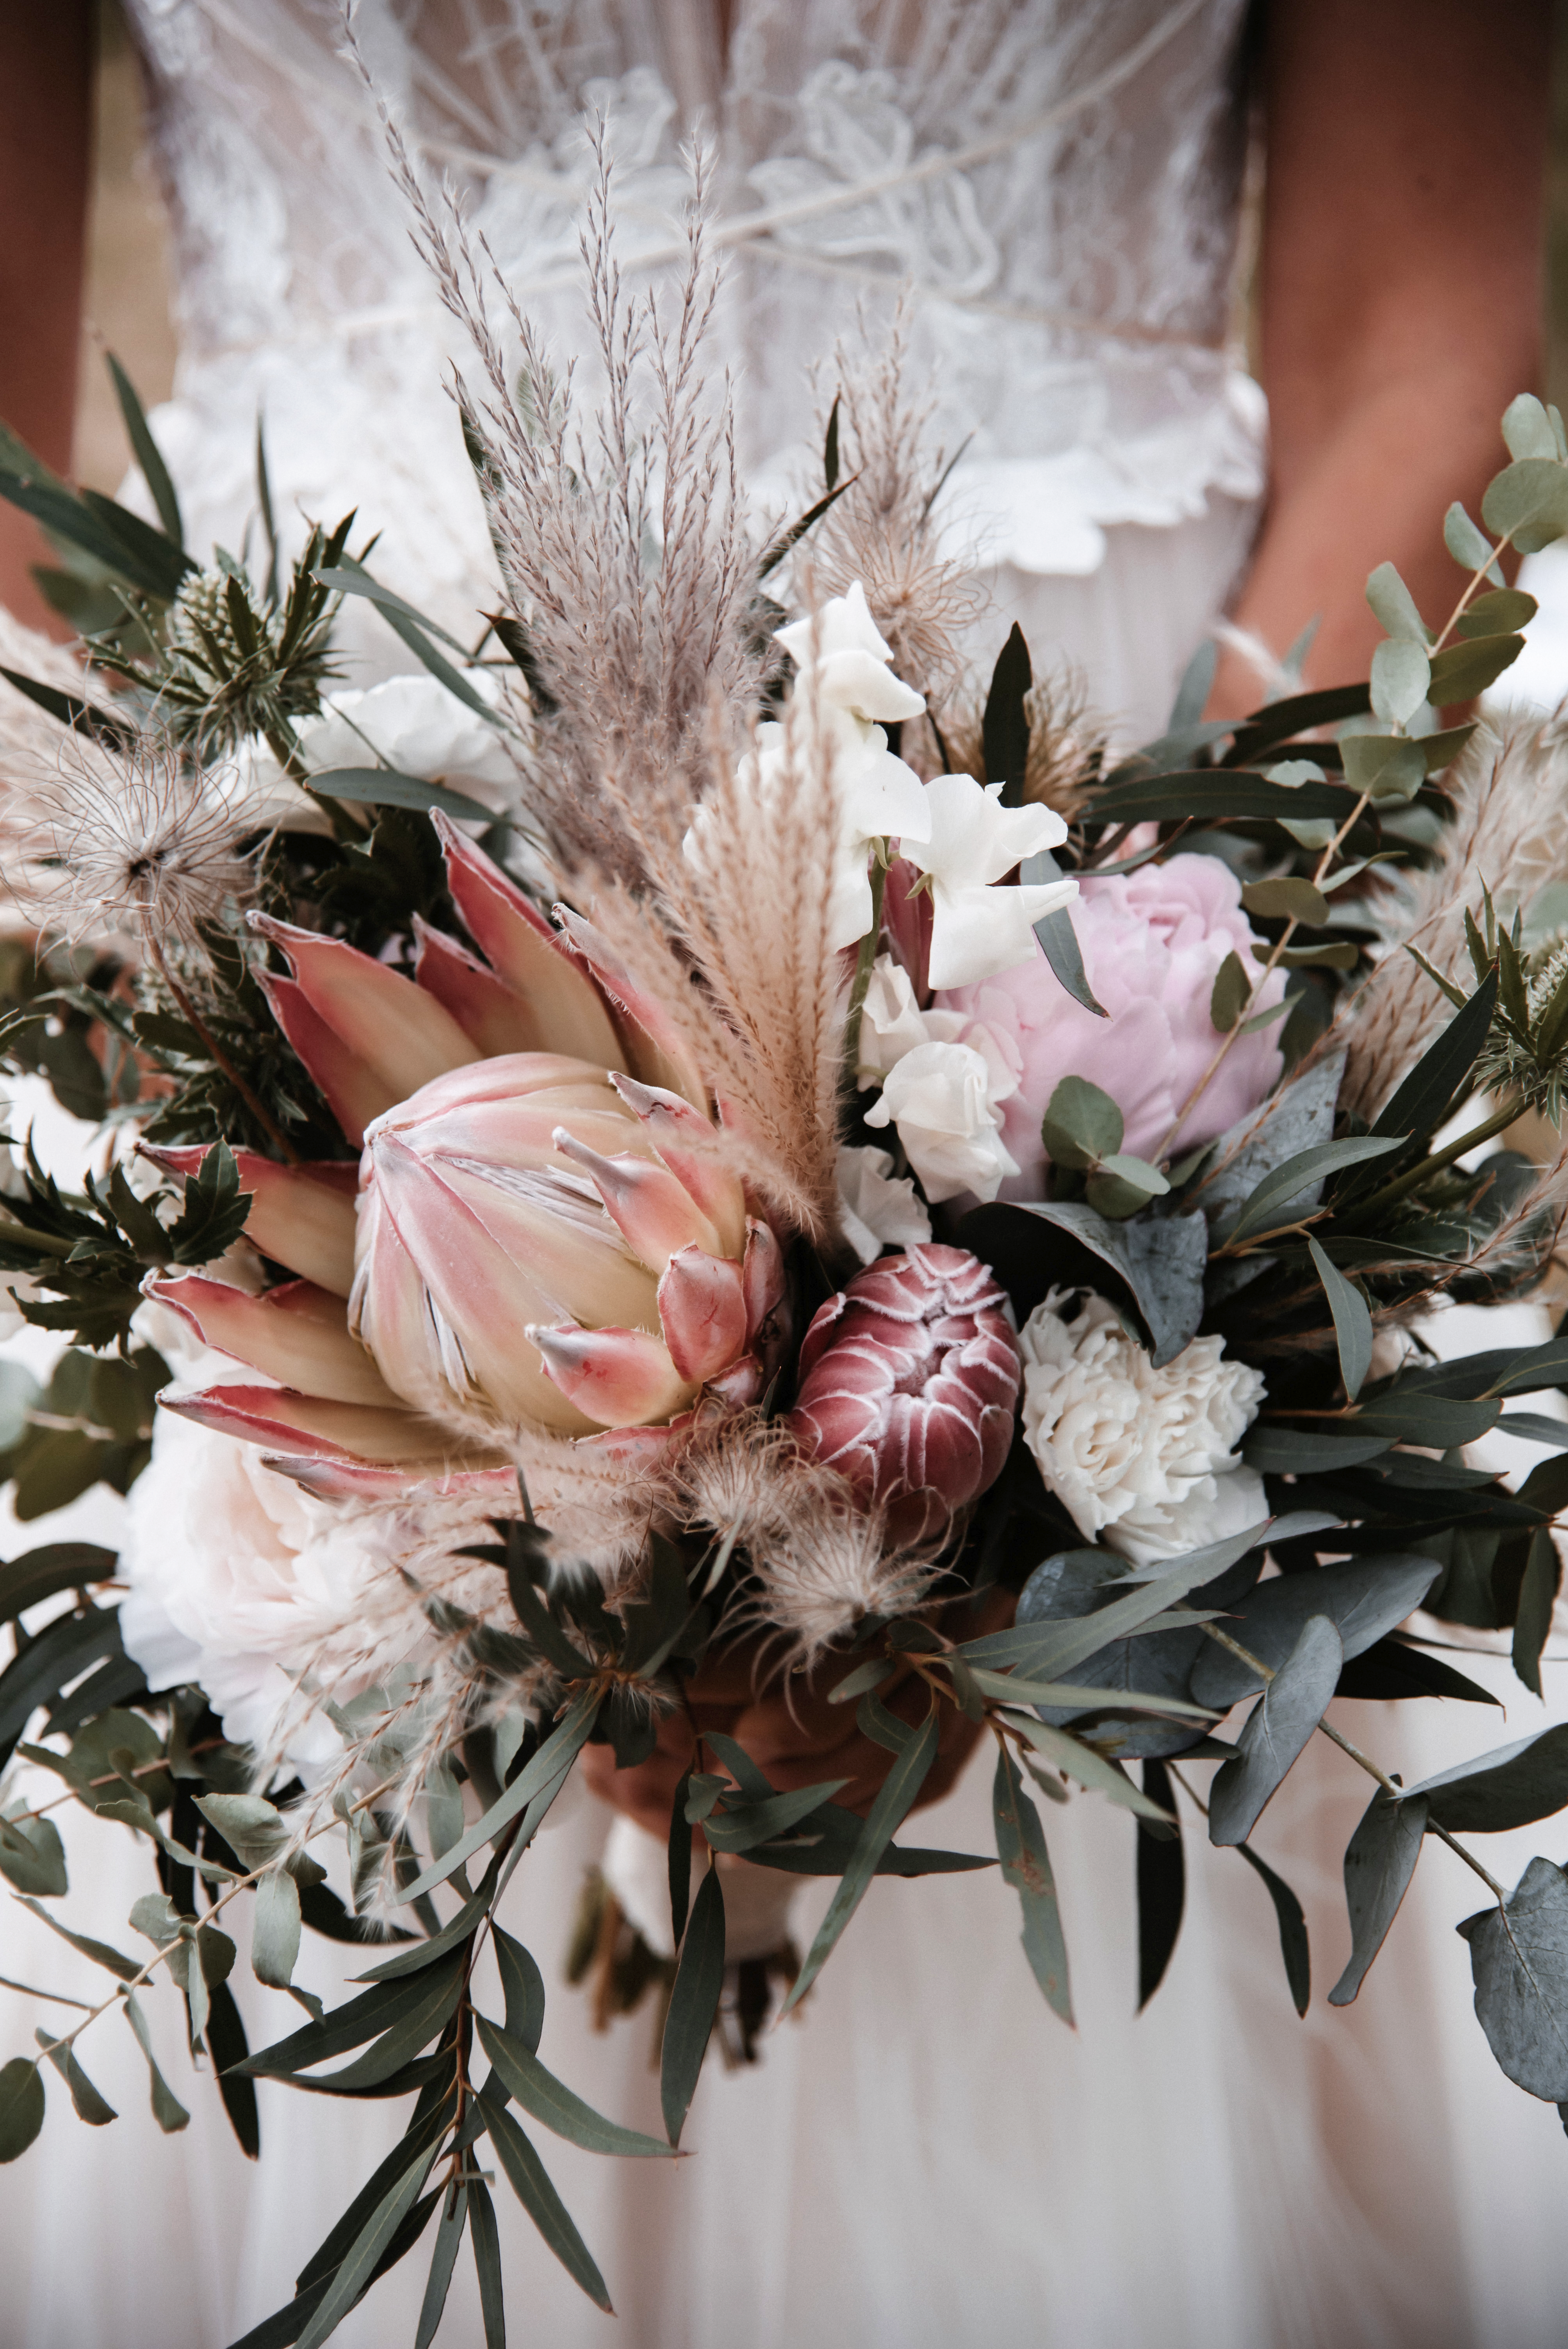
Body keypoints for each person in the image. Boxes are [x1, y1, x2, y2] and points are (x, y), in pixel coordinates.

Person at [0, 6, 1559, 2346]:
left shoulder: (1141, 999)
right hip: (308, 933)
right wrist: (233, 1079)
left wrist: (1118, 1108)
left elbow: (1423, 316)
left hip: (1137, 825)